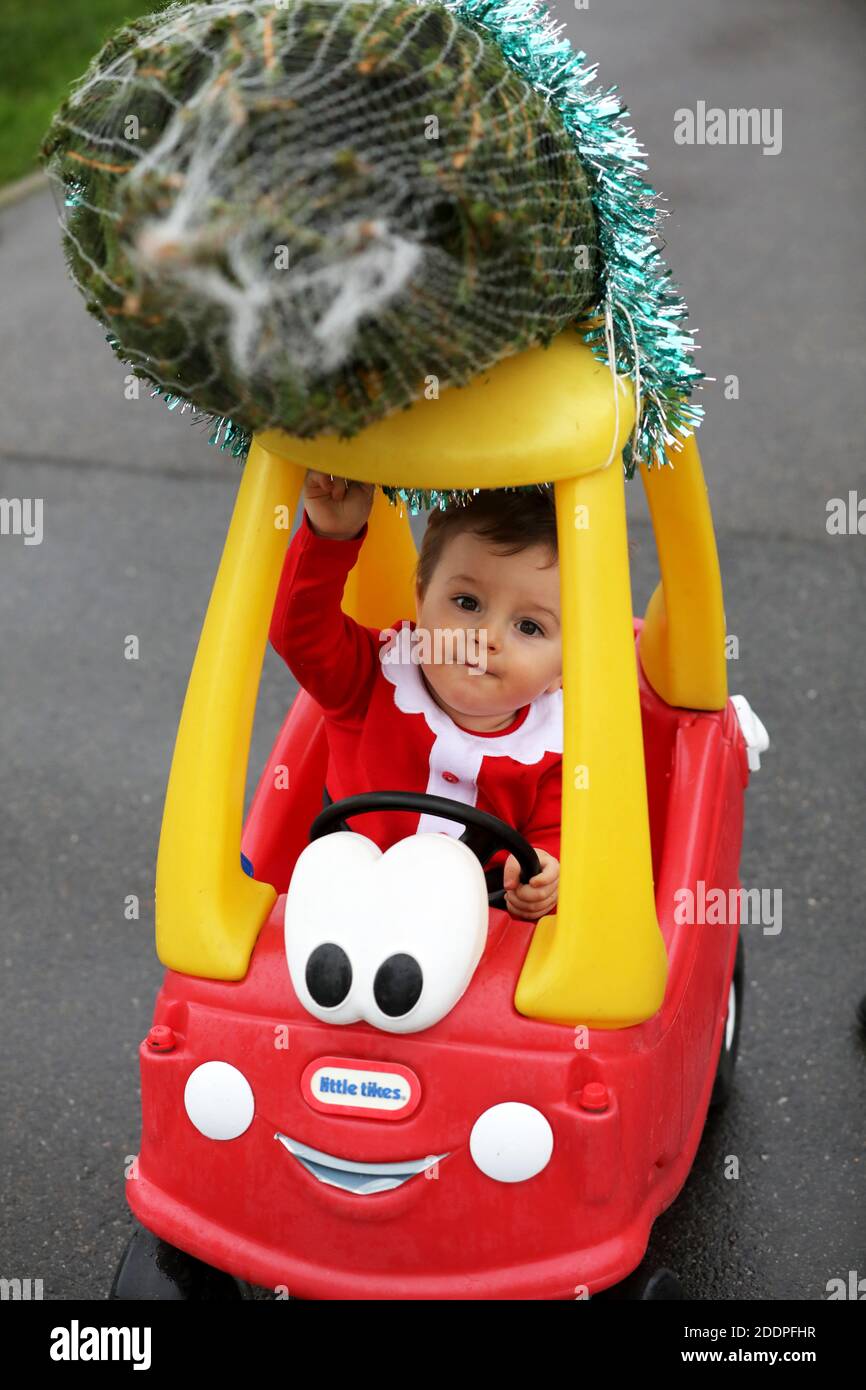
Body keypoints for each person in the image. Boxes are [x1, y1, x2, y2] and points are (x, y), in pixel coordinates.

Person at [269, 471, 563, 921]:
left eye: (529, 627)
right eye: (466, 603)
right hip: (339, 905)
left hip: (479, 925)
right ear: (422, 596)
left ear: (565, 668)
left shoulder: (557, 747)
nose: (485, 637)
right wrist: (332, 534)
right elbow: (298, 634)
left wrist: (541, 875)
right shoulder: (371, 675)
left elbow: (557, 836)